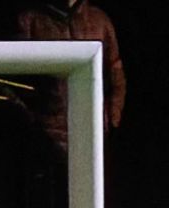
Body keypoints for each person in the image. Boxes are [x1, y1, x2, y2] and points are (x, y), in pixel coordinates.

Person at [13, 0, 126, 152]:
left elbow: (116, 76)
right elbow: (12, 79)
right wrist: (33, 123)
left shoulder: (99, 20)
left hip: (92, 136)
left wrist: (111, 119)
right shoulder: (30, 21)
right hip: (45, 143)